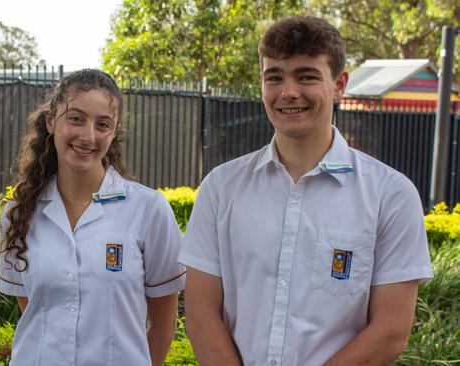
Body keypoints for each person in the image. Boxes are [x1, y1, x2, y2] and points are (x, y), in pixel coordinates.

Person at [179, 15, 433, 366]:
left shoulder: (391, 195)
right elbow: (201, 313)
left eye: (307, 76)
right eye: (275, 77)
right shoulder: (221, 188)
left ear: (339, 84)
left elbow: (391, 330)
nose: (289, 92)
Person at [0, 69, 185, 366]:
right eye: (75, 118)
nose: (88, 136)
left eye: (102, 124)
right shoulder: (18, 213)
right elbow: (34, 310)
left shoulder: (148, 209)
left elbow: (163, 322)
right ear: (51, 121)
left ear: (113, 131)